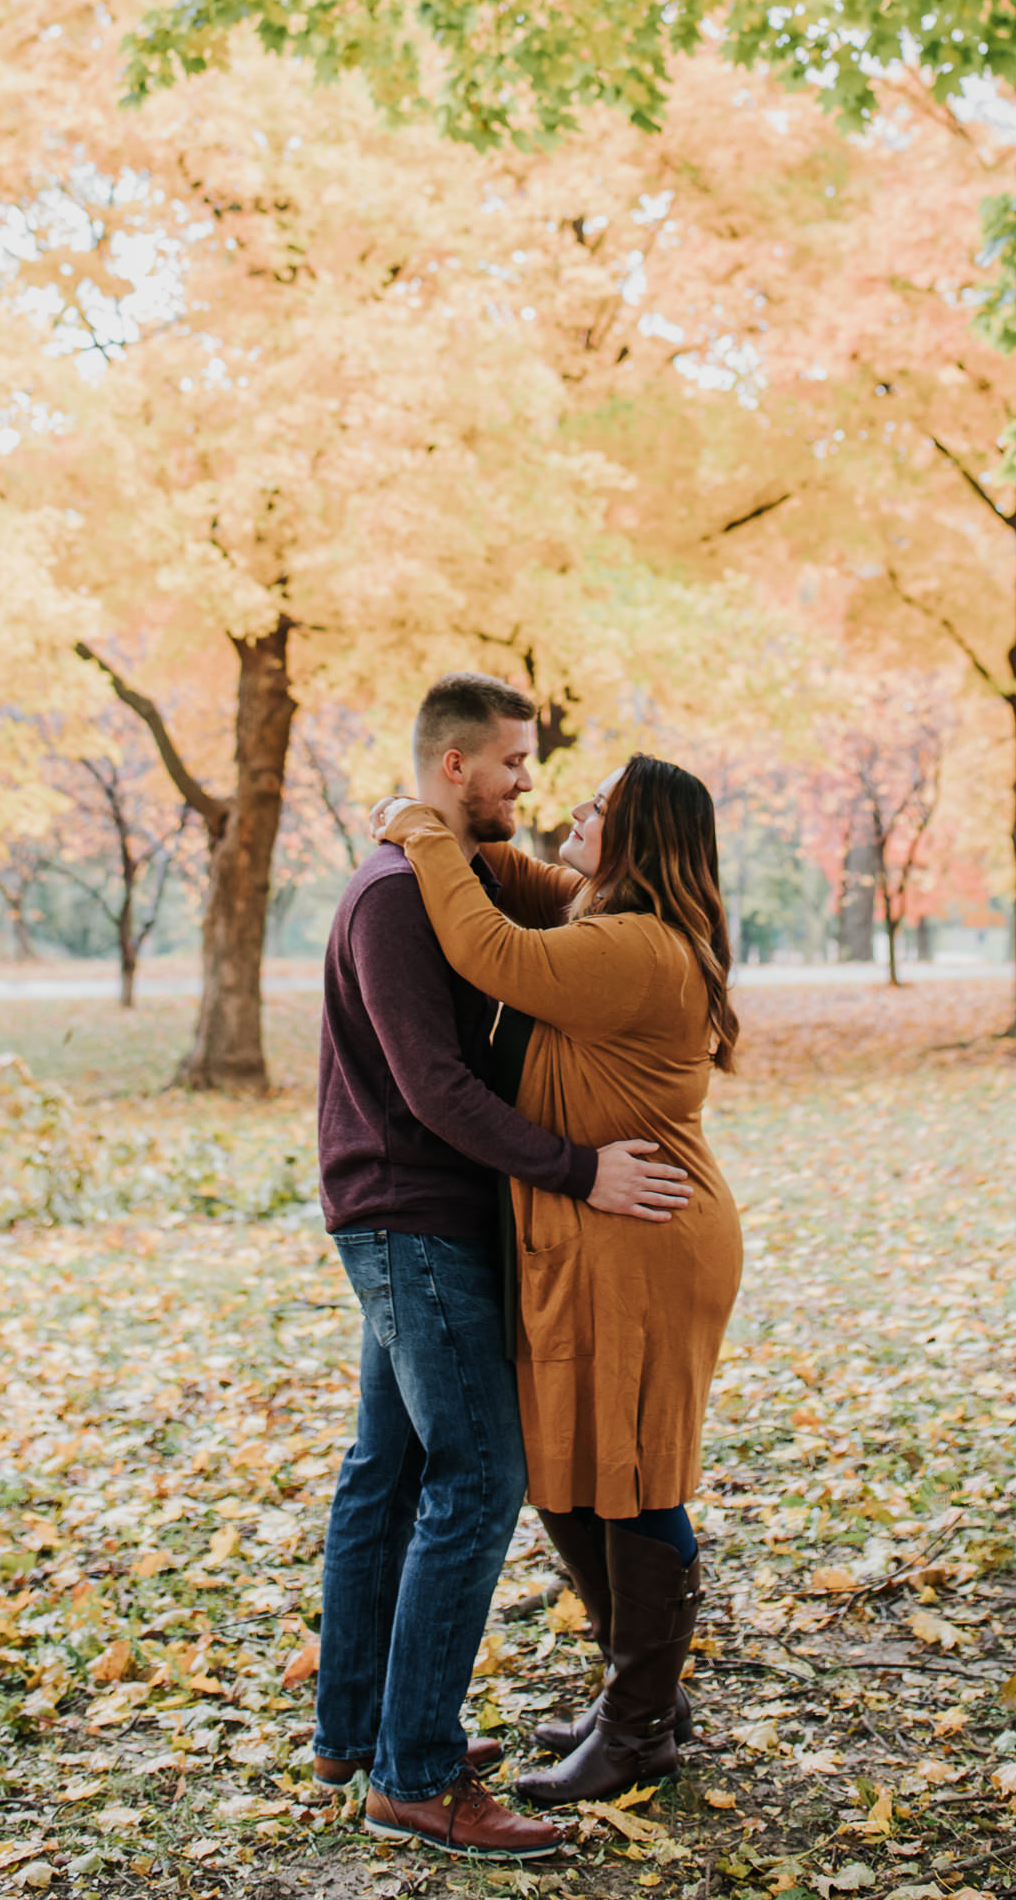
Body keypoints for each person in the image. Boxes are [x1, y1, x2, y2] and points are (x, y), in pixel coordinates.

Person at [314, 673, 692, 1863]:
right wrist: (578, 1172)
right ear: (454, 768)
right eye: (516, 764)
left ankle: (363, 1729)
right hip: (412, 1219)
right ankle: (414, 1775)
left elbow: (498, 935)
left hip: (434, 1215)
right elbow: (436, 1086)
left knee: (391, 1467)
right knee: (478, 1479)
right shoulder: (397, 896)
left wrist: (417, 825)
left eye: (546, 774)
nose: (533, 787)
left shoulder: (470, 883)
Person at [373, 754, 742, 1808]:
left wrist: (421, 835)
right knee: (575, 1466)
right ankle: (642, 1693)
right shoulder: (597, 908)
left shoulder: (631, 947)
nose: (571, 813)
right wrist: (441, 814)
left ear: (642, 842)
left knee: (636, 1475)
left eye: (599, 809)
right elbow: (512, 876)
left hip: (650, 1239)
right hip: (597, 1235)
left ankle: (637, 1727)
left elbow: (488, 948)